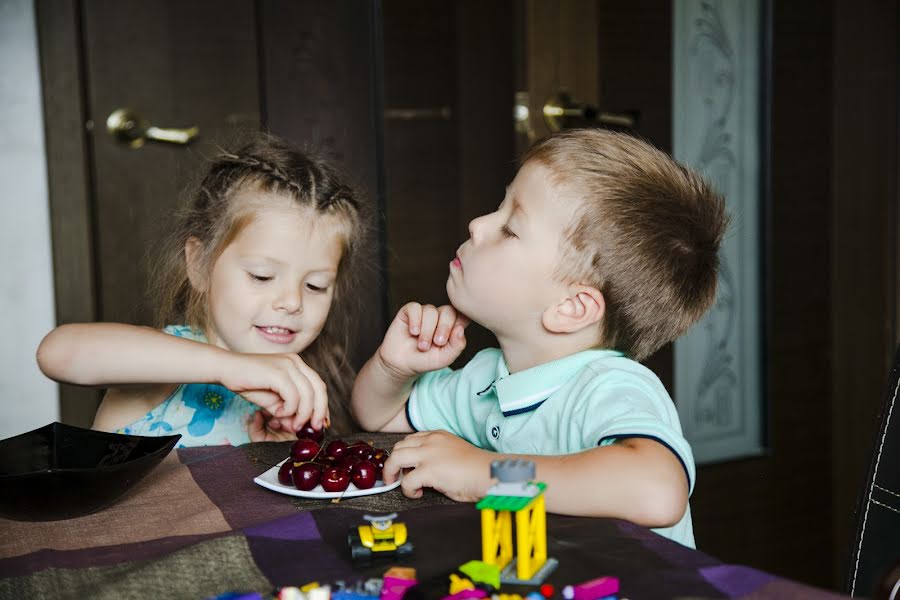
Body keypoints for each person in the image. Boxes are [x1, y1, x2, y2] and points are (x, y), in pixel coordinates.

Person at [351, 128, 729, 548]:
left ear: (570, 308)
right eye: (498, 207)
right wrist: (394, 368)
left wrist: (486, 473)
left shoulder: (609, 385)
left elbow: (657, 491)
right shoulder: (485, 379)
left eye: (510, 228)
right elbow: (380, 417)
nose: (477, 225)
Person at [37, 134, 369, 446]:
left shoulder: (303, 388)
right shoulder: (168, 364)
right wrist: (228, 367)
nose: (292, 301)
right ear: (199, 264)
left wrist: (277, 457)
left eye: (315, 285)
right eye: (262, 276)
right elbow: (58, 353)